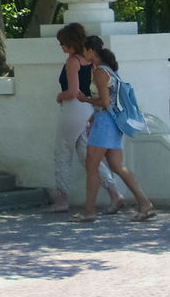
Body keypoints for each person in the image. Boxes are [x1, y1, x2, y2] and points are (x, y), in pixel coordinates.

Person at [73, 36, 155, 222]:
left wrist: (86, 99)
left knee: (92, 165)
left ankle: (89, 211)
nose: (83, 54)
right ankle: (144, 203)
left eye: (84, 50)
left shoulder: (100, 72)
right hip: (113, 123)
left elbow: (104, 101)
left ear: (91, 51)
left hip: (104, 123)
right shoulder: (109, 70)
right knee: (117, 166)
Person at [50, 23, 123, 214]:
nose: (62, 47)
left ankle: (62, 198)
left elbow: (73, 91)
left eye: (63, 43)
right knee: (87, 157)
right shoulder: (91, 61)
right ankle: (114, 193)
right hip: (89, 109)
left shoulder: (73, 61)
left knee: (62, 153)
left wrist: (61, 95)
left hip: (73, 110)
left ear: (71, 43)